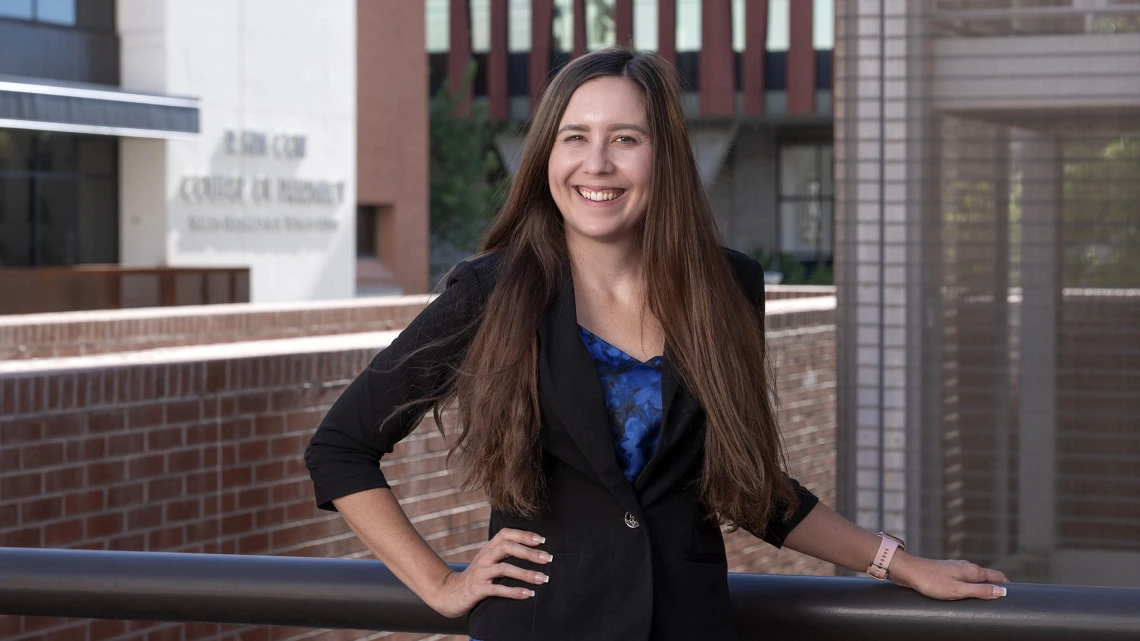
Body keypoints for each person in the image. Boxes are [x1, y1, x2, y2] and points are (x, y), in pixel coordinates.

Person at [304, 47, 1009, 641]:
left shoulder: (727, 285)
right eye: (574, 137)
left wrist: (899, 562)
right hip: (542, 625)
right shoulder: (491, 292)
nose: (597, 163)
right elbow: (339, 447)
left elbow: (750, 485)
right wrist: (441, 583)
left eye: (626, 138)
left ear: (662, 155)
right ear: (548, 154)